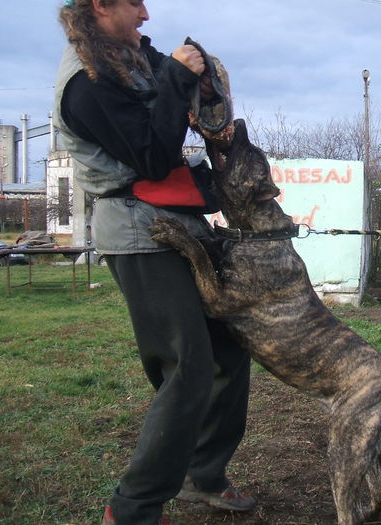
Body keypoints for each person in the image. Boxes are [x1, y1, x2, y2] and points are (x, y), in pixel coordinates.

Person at [54, 1, 254, 524]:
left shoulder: (131, 53)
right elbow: (153, 154)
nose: (146, 14)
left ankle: (201, 475)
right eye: (134, 2)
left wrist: (202, 84)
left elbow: (176, 86)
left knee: (227, 355)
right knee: (187, 366)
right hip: (136, 232)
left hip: (179, 223)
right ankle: (133, 508)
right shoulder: (84, 85)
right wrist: (174, 79)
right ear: (100, 5)